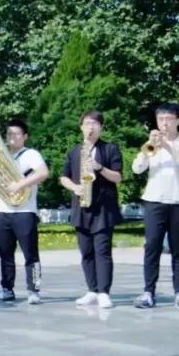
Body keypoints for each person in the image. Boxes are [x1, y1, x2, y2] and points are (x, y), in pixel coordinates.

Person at [131, 103, 179, 309]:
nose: (164, 123)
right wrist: (148, 148)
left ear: (178, 120)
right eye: (160, 119)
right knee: (152, 246)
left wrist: (169, 147)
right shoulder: (152, 144)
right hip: (155, 200)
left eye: (169, 119)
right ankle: (148, 292)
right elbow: (137, 168)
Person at [60, 111, 123, 309]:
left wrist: (99, 167)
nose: (91, 127)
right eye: (87, 123)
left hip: (103, 208)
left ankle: (104, 292)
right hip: (81, 206)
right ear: (81, 127)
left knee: (102, 251)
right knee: (86, 252)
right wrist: (74, 187)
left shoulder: (110, 149)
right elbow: (63, 177)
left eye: (95, 124)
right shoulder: (74, 151)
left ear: (101, 128)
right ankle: (92, 290)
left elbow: (118, 177)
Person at [0, 119, 50, 305]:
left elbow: (43, 173)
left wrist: (20, 184)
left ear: (24, 137)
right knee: (4, 253)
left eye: (17, 134)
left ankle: (34, 290)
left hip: (25, 210)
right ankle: (6, 289)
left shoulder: (31, 154)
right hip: (3, 210)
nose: (12, 137)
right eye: (9, 134)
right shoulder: (1, 155)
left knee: (31, 254)